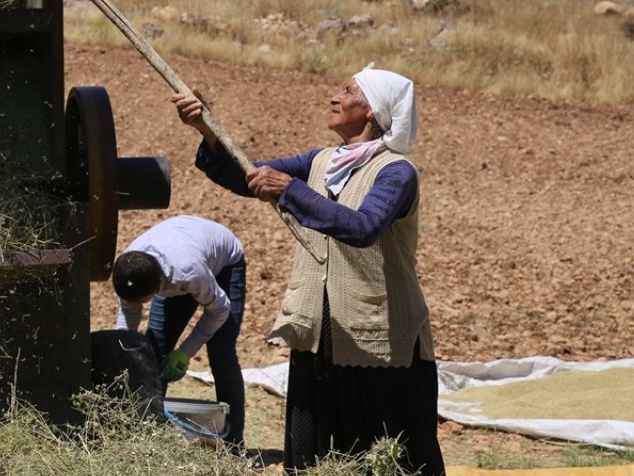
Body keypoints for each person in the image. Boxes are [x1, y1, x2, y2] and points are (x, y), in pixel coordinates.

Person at [171, 64, 445, 475]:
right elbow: (247, 175)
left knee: (392, 453)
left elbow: (362, 227)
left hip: (381, 339)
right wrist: (205, 128)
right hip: (319, 330)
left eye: (347, 90)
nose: (335, 97)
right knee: (317, 451)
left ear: (371, 111)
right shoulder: (320, 161)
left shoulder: (396, 172)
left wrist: (290, 189)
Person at [112, 214, 247, 451]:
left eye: (140, 302)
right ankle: (147, 432)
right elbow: (128, 319)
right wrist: (123, 354)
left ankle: (232, 443)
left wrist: (186, 351)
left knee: (221, 352)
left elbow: (218, 310)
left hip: (223, 262)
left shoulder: (187, 272)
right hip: (182, 249)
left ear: (157, 287)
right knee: (154, 352)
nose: (135, 306)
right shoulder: (130, 269)